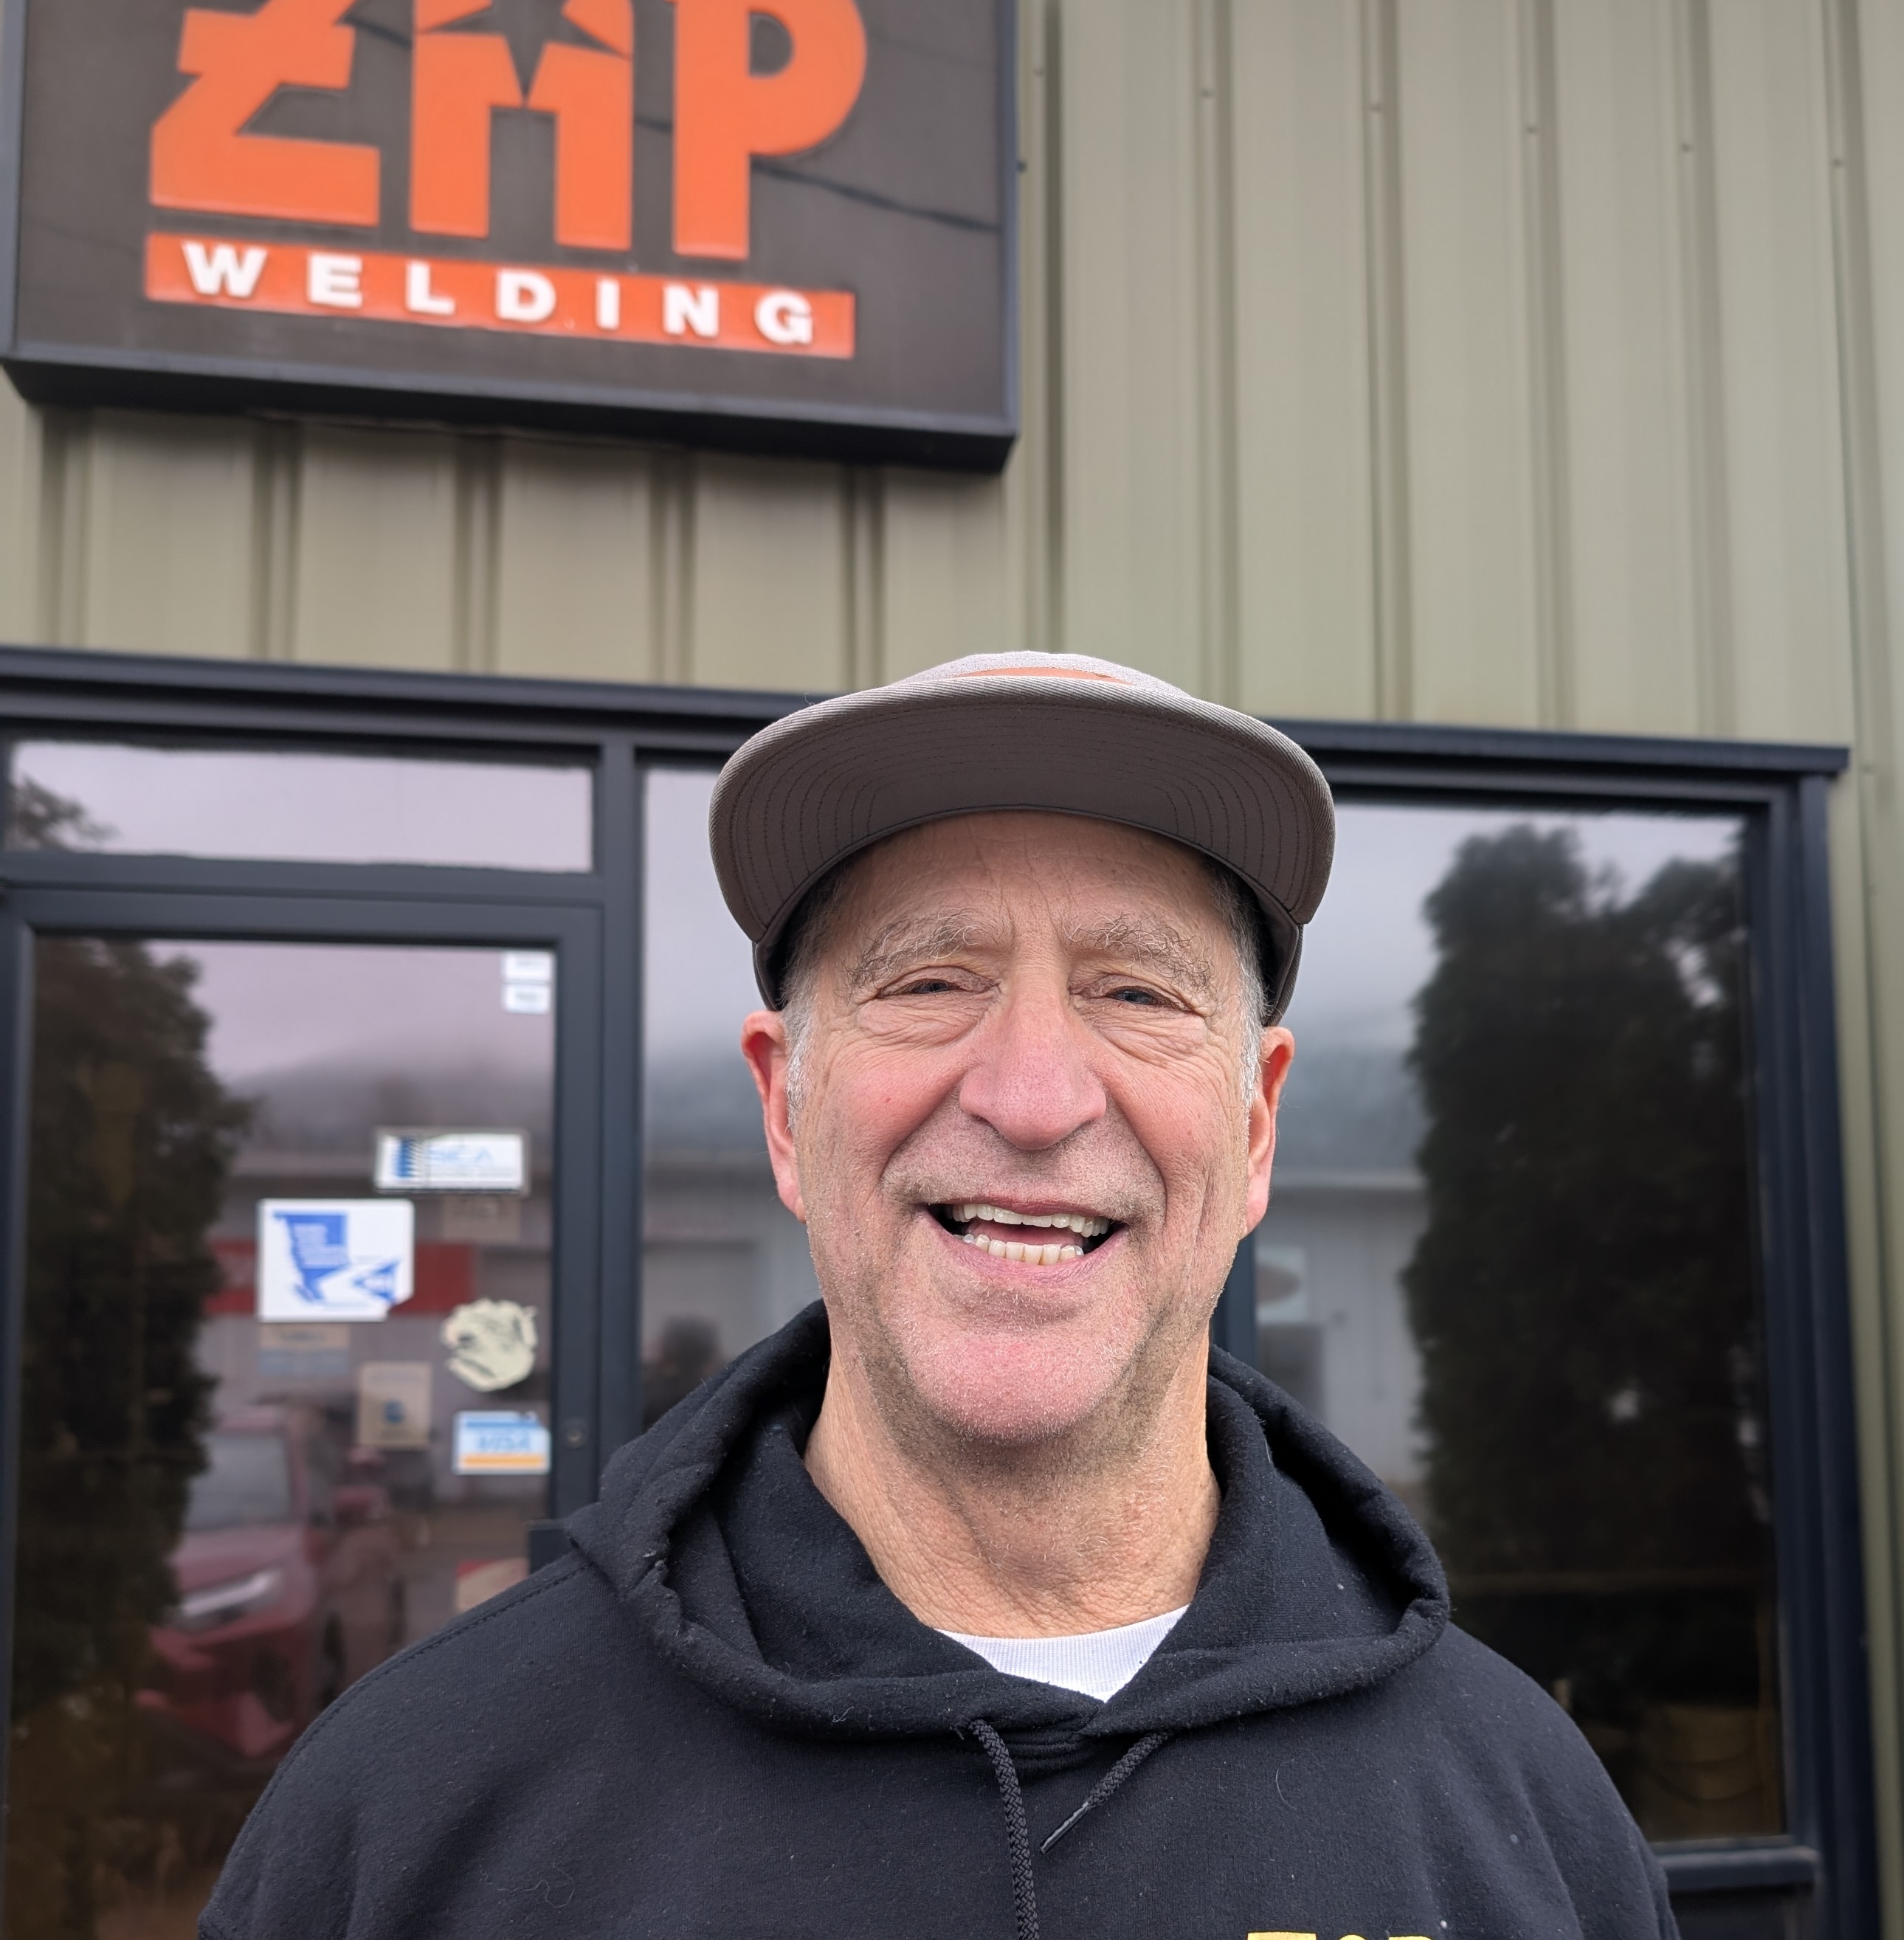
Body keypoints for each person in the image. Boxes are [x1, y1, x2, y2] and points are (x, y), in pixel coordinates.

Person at [202, 651, 1676, 1940]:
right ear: (787, 1111)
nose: (1034, 1097)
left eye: (1138, 991)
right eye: (929, 981)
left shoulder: (1526, 1825)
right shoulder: (414, 1811)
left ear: (1254, 1130)